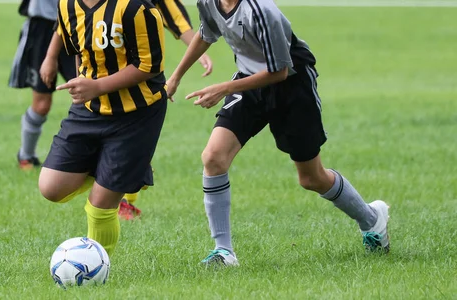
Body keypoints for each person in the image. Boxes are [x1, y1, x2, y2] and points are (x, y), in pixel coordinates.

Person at [166, 0, 390, 266]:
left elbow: (279, 72)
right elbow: (207, 33)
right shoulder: (209, 2)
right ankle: (224, 252)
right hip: (248, 82)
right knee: (213, 157)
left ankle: (371, 219)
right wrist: (176, 76)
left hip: (292, 87)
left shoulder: (261, 11)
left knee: (311, 178)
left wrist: (224, 88)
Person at [36, 0, 167, 256]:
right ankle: (128, 168)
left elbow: (150, 66)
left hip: (136, 114)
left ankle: (97, 270)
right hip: (89, 111)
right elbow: (79, 51)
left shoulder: (136, 7)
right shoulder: (67, 5)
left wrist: (98, 86)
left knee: (100, 205)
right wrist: (82, 86)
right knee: (51, 188)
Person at [119, 0, 214, 220]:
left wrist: (199, 50)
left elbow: (176, 19)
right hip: (104, 70)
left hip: (141, 72)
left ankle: (124, 201)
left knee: (134, 138)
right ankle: (119, 198)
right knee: (121, 139)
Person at [9, 0, 78, 170]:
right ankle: (26, 156)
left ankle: (93, 159)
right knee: (41, 104)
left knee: (88, 97)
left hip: (77, 25)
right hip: (42, 30)